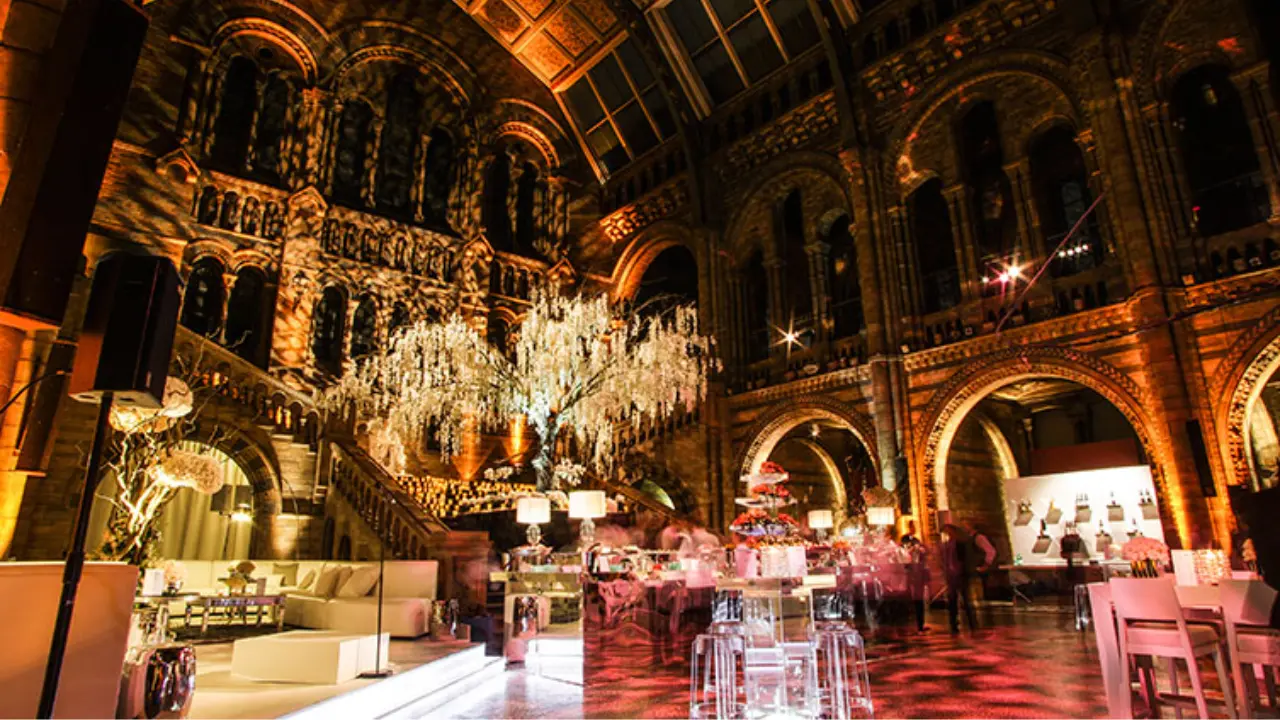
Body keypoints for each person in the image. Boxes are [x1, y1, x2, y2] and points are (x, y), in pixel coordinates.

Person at [941, 523, 978, 632]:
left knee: (965, 599)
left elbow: (965, 558)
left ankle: (972, 622)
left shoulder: (961, 543)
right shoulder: (947, 545)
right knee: (952, 599)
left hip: (961, 574)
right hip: (951, 575)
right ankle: (954, 623)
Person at [900, 531, 930, 632]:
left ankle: (919, 625)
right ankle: (917, 625)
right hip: (912, 580)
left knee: (918, 601)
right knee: (916, 602)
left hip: (916, 579)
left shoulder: (918, 552)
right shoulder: (904, 552)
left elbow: (925, 553)